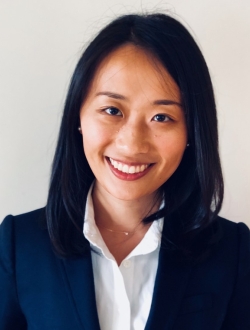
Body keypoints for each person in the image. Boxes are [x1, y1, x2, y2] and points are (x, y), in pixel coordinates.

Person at [0, 13, 249, 330]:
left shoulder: (233, 251)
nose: (132, 144)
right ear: (78, 116)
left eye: (161, 117)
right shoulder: (19, 246)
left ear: (192, 132)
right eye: (112, 110)